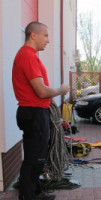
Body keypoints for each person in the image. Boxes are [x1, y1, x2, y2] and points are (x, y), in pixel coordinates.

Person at [12, 22, 70, 200]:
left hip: (35, 112)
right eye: (45, 35)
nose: (48, 40)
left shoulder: (29, 56)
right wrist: (61, 90)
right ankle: (27, 196)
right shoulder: (28, 56)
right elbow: (42, 91)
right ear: (33, 35)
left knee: (36, 157)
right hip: (34, 113)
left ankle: (36, 192)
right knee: (34, 160)